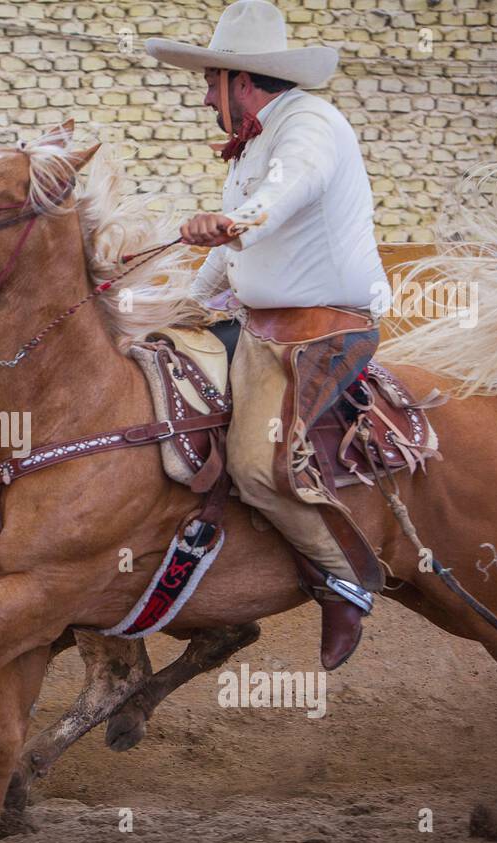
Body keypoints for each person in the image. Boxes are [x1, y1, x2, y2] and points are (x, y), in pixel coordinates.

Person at [147, 0, 390, 669]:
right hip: (261, 331)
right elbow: (233, 256)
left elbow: (290, 190)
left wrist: (233, 220)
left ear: (239, 83)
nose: (204, 100)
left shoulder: (309, 123)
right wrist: (180, 308)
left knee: (256, 463)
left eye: (209, 84)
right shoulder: (256, 141)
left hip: (321, 335)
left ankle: (344, 583)